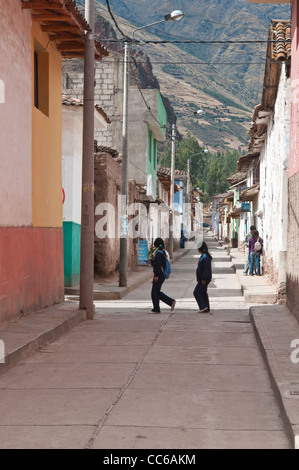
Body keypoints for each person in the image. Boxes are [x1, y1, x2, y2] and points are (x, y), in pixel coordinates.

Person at [150, 238, 176, 314]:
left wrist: (156, 276)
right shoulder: (163, 252)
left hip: (159, 275)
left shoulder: (158, 253)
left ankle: (159, 307)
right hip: (162, 275)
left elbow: (158, 265)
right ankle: (160, 306)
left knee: (155, 291)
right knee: (156, 291)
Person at [193, 241, 213, 313]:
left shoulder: (205, 257)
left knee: (196, 292)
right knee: (203, 292)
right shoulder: (204, 256)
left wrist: (203, 278)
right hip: (203, 278)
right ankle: (206, 308)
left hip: (204, 279)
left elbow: (205, 269)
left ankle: (203, 306)